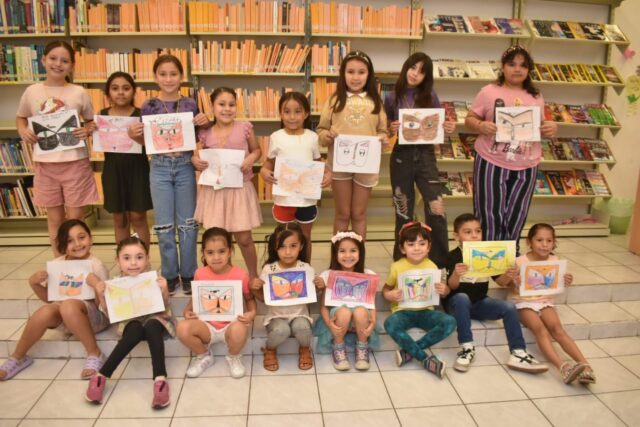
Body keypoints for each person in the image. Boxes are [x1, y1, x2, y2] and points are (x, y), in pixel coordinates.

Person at [128, 54, 210, 295]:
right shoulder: (148, 106)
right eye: (163, 74)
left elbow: (198, 137)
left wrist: (205, 122)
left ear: (181, 76)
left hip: (185, 164)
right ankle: (169, 274)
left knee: (188, 224)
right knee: (164, 225)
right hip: (160, 166)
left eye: (173, 74)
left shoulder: (190, 104)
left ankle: (188, 273)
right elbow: (146, 140)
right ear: (155, 77)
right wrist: (134, 135)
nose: (168, 79)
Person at [464, 45, 557, 253]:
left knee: (517, 212)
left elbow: (543, 124)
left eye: (523, 65)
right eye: (512, 64)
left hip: (526, 163)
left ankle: (509, 255)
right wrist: (480, 126)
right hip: (491, 160)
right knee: (489, 212)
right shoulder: (488, 92)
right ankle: (487, 255)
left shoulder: (536, 96)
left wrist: (552, 127)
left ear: (529, 69)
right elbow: (470, 118)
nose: (517, 69)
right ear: (503, 67)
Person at [16, 41, 98, 256]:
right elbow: (21, 117)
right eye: (53, 58)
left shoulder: (79, 92)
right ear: (43, 60)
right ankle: (60, 264)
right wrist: (23, 131)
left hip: (75, 164)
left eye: (64, 60)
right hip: (45, 164)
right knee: (54, 221)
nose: (58, 64)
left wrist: (87, 130)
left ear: (72, 65)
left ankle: (78, 261)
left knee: (75, 220)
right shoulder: (32, 91)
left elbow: (91, 122)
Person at [0, 220, 108, 380]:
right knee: (45, 311)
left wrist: (97, 285)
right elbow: (50, 299)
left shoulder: (96, 265)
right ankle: (18, 356)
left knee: (68, 305)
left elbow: (105, 307)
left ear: (90, 239)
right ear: (62, 245)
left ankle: (95, 353)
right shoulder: (58, 264)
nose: (77, 244)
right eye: (70, 241)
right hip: (67, 316)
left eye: (82, 237)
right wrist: (34, 283)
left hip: (95, 318)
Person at [445, 213, 548, 373]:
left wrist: (510, 273)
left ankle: (518, 352)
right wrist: (456, 274)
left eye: (478, 231)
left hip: (479, 303)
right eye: (468, 232)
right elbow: (450, 287)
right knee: (461, 297)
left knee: (508, 307)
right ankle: (467, 348)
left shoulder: (487, 253)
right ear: (456, 236)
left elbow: (500, 281)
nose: (474, 235)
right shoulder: (452, 256)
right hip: (456, 305)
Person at [496, 223, 595, 384]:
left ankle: (586, 366)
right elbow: (507, 285)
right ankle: (563, 367)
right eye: (539, 240)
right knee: (540, 330)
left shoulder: (554, 260)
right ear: (529, 242)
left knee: (558, 329)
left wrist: (565, 280)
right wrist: (513, 280)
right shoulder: (520, 261)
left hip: (544, 300)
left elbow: (553, 284)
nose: (544, 244)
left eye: (549, 241)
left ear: (554, 242)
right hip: (523, 302)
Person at [85, 236, 176, 408]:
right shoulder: (114, 284)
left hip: (157, 319)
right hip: (130, 321)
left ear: (147, 259)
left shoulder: (154, 279)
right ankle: (102, 375)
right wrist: (102, 295)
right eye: (127, 258)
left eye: (139, 257)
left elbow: (164, 306)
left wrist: (164, 290)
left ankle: (160, 379)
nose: (133, 263)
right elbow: (110, 313)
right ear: (118, 261)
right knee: (134, 330)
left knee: (151, 325)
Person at [384, 52, 456, 267]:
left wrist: (448, 127)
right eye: (413, 68)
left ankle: (440, 261)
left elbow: (438, 125)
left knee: (436, 207)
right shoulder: (392, 96)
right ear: (406, 67)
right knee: (403, 209)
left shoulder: (430, 96)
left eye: (422, 71)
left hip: (425, 155)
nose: (415, 74)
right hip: (401, 156)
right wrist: (391, 127)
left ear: (427, 77)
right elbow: (386, 126)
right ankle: (402, 258)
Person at [316, 50, 388, 239]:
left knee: (358, 214)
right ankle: (338, 260)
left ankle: (358, 260)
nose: (355, 77)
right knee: (342, 214)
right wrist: (328, 136)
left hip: (366, 166)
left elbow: (383, 131)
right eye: (350, 72)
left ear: (369, 75)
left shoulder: (375, 102)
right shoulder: (334, 101)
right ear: (343, 74)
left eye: (361, 72)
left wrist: (383, 139)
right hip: (340, 166)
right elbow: (321, 132)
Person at [192, 87, 262, 279]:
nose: (227, 109)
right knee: (219, 240)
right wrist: (195, 161)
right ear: (212, 107)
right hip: (215, 192)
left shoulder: (245, 128)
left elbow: (257, 150)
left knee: (244, 237)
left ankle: (254, 276)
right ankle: (224, 277)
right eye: (221, 104)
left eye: (231, 104)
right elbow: (196, 156)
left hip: (239, 190)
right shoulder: (205, 133)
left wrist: (251, 159)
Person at [177, 227, 257, 378]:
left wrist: (252, 313)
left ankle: (233, 357)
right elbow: (196, 297)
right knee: (182, 328)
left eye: (221, 251)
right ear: (203, 254)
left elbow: (249, 299)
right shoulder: (200, 273)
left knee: (240, 329)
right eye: (210, 253)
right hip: (207, 326)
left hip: (231, 325)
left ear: (230, 251)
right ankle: (204, 355)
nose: (216, 257)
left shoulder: (240, 275)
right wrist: (187, 310)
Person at [260, 91, 331, 261]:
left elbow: (318, 161)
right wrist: (263, 171)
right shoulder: (276, 137)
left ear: (306, 114)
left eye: (298, 111)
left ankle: (305, 269)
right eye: (287, 111)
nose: (292, 117)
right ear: (280, 114)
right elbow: (269, 163)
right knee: (285, 236)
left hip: (306, 199)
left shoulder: (312, 137)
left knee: (305, 237)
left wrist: (327, 173)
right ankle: (285, 269)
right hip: (284, 198)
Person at [383, 222, 456, 378]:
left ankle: (409, 352)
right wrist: (389, 295)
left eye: (422, 244)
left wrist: (445, 290)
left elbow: (443, 291)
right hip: (402, 311)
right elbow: (386, 289)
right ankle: (425, 359)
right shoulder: (396, 267)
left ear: (429, 247)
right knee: (390, 324)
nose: (417, 248)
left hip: (426, 311)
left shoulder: (433, 266)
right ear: (403, 248)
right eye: (411, 244)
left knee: (450, 322)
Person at [251, 223, 314, 371]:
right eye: (282, 247)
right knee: (281, 330)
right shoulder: (269, 269)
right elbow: (265, 297)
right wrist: (254, 289)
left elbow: (312, 296)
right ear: (275, 247)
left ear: (302, 246)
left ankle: (305, 348)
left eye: (293, 246)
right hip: (276, 317)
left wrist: (319, 287)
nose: (288, 252)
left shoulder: (305, 268)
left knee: (303, 327)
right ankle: (270, 349)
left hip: (300, 315)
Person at [99, 71, 152, 245]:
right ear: (108, 93)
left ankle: (142, 261)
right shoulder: (102, 115)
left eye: (126, 88)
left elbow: (150, 143)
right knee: (119, 218)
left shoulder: (141, 115)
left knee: (138, 217)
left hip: (138, 170)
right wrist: (91, 129)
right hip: (113, 170)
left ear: (133, 91)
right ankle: (124, 262)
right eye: (115, 88)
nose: (120, 92)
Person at [313, 231, 379, 371]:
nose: (348, 255)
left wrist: (372, 322)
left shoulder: (368, 274)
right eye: (342, 251)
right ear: (335, 254)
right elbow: (324, 307)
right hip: (337, 319)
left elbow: (372, 305)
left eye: (353, 250)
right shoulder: (328, 275)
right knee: (343, 311)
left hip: (359, 320)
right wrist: (330, 325)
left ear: (360, 252)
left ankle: (362, 347)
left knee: (361, 311)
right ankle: (338, 347)